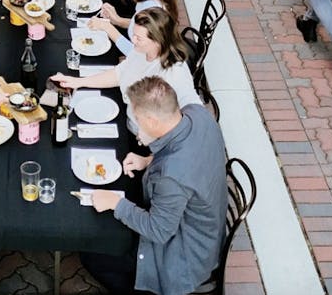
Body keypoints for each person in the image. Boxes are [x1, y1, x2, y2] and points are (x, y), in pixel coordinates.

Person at [80, 76, 227, 295]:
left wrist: (116, 204)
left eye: (138, 119)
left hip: (185, 253)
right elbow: (186, 156)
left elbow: (159, 231)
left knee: (93, 253)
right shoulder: (199, 114)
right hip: (208, 230)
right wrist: (148, 160)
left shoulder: (172, 177)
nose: (136, 124)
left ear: (152, 121)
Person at [52, 9, 200, 140]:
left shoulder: (176, 73)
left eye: (138, 38)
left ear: (158, 41)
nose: (133, 40)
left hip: (145, 140)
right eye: (134, 35)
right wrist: (78, 81)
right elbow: (119, 73)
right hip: (128, 121)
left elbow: (193, 114)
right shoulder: (141, 51)